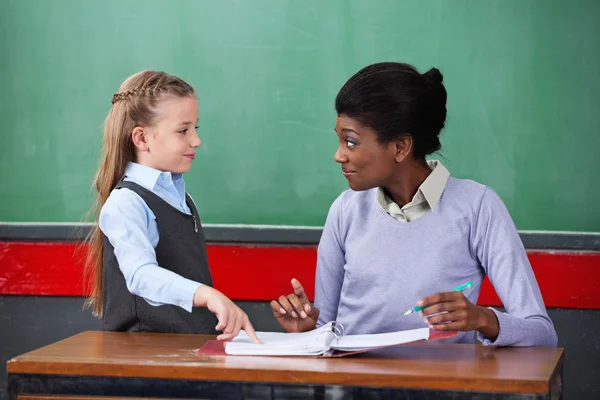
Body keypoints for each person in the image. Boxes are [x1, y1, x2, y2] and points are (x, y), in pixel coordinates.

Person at [271, 62, 557, 346]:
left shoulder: (477, 207)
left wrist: (483, 319)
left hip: (441, 388)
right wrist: (307, 331)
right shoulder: (346, 210)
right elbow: (325, 330)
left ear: (400, 147)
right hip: (351, 387)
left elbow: (542, 334)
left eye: (351, 142)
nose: (338, 155)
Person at [84, 70, 259, 343]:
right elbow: (141, 275)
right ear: (141, 138)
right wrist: (207, 294)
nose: (196, 140)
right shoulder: (126, 202)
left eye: (195, 128)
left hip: (187, 349)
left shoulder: (180, 197)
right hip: (145, 357)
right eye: (183, 130)